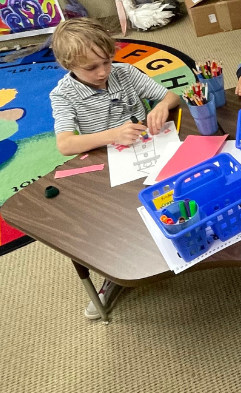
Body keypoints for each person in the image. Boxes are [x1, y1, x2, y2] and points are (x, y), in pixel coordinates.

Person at [49, 17, 181, 319]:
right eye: (91, 67)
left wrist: (161, 106)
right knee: (115, 219)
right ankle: (113, 277)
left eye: (107, 61)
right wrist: (113, 135)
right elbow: (65, 144)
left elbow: (171, 96)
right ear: (68, 65)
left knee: (178, 186)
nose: (103, 72)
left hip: (148, 150)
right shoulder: (63, 94)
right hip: (106, 165)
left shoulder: (125, 72)